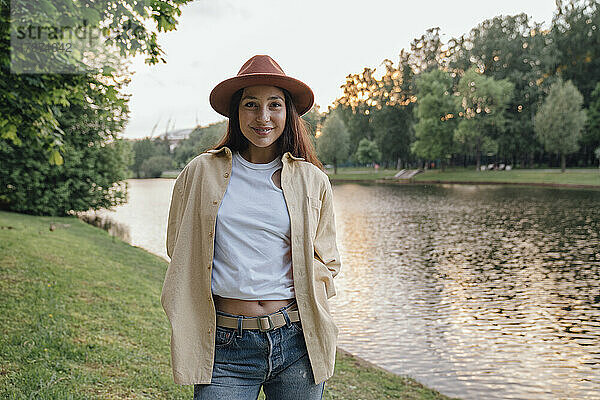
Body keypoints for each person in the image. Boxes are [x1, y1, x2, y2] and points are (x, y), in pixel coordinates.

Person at [160, 55, 342, 400]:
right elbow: (179, 245)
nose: (263, 117)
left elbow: (328, 259)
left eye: (274, 104)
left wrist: (309, 286)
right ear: (236, 112)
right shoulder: (201, 172)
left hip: (297, 342)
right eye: (251, 105)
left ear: (287, 113)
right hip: (225, 345)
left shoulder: (312, 180)